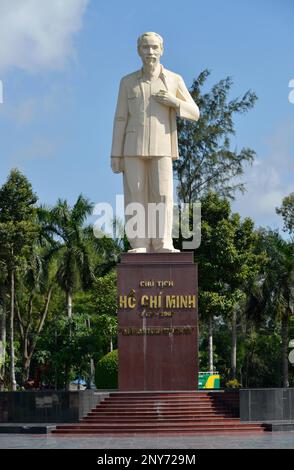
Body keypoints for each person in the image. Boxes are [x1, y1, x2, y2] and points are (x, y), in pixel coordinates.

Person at [111, 32, 200, 253]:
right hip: (132, 147)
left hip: (162, 144)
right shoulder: (127, 82)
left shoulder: (173, 79)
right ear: (138, 50)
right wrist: (115, 153)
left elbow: (195, 112)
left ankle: (163, 243)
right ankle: (139, 243)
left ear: (162, 50)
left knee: (163, 194)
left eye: (154, 47)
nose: (150, 52)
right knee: (135, 193)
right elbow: (120, 117)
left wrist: (174, 102)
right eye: (145, 47)